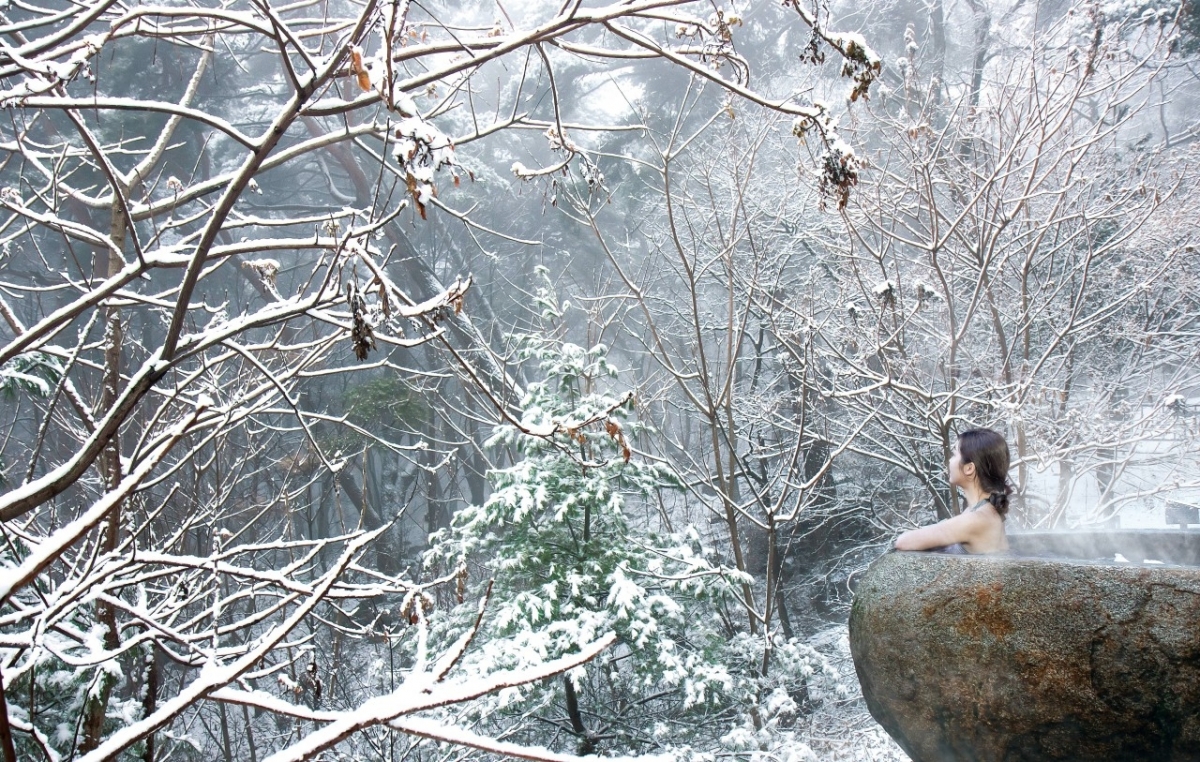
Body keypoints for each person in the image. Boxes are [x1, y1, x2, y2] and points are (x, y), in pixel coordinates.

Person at [894, 428, 1011, 554]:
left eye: (955, 454)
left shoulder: (978, 519)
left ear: (969, 468)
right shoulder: (984, 511)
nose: (949, 460)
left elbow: (903, 541)